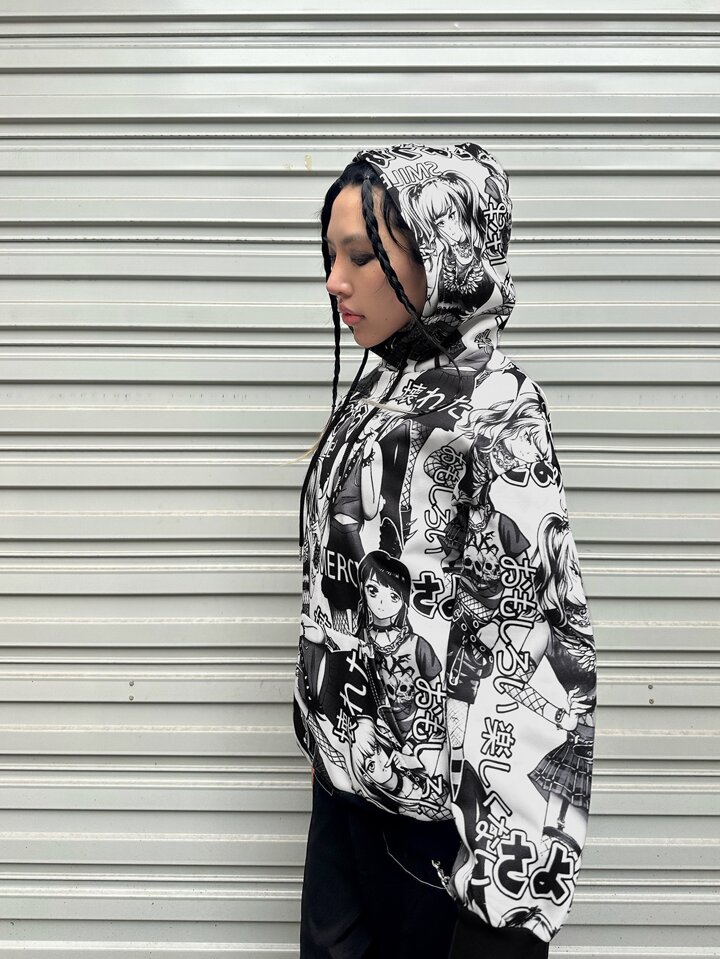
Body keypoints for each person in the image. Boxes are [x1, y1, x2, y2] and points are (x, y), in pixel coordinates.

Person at [293, 142, 597, 958]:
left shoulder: (500, 412)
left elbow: (529, 648)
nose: (335, 281)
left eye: (361, 256)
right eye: (330, 256)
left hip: (433, 844)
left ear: (443, 253)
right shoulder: (376, 389)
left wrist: (503, 905)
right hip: (344, 804)